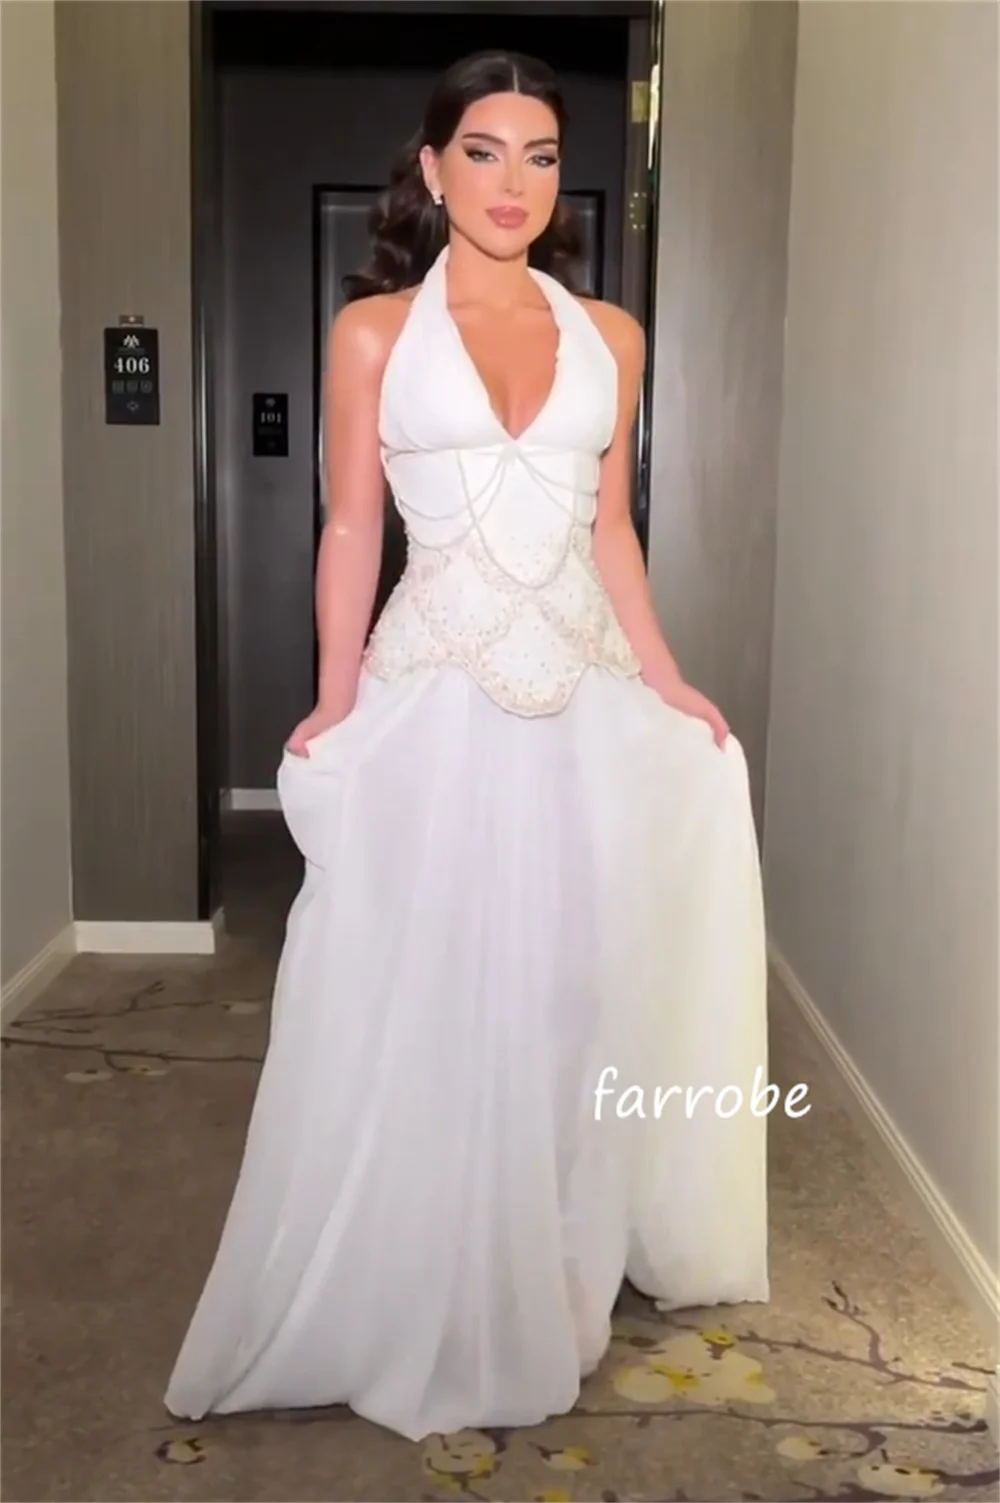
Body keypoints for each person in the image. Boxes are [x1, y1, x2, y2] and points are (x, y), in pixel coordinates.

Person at [165, 48, 769, 1444]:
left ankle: (547, 1253)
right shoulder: (374, 331)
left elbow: (610, 531)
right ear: (433, 170)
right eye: (484, 152)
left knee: (571, 990)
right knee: (422, 981)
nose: (514, 182)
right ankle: (426, 1261)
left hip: (582, 698)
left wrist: (669, 680)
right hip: (435, 691)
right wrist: (333, 699)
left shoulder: (612, 335)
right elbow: (349, 526)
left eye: (542, 155)